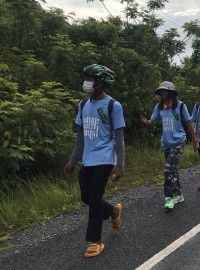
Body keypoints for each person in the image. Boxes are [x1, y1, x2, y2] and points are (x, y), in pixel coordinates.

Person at [64, 64, 125, 258]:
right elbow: (80, 137)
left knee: (96, 194)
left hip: (106, 158)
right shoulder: (83, 105)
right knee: (87, 197)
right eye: (86, 78)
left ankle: (95, 241)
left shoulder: (113, 106)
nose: (87, 83)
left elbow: (119, 137)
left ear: (101, 82)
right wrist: (72, 161)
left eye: (90, 79)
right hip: (88, 159)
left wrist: (120, 165)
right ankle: (114, 211)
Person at [141, 81, 199, 210]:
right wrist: (146, 122)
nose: (162, 93)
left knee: (168, 170)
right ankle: (179, 194)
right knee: (173, 170)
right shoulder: (159, 106)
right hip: (166, 142)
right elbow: (152, 120)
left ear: (171, 92)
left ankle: (169, 197)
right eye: (160, 91)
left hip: (179, 141)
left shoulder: (180, 106)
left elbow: (189, 124)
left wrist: (195, 140)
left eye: (164, 91)